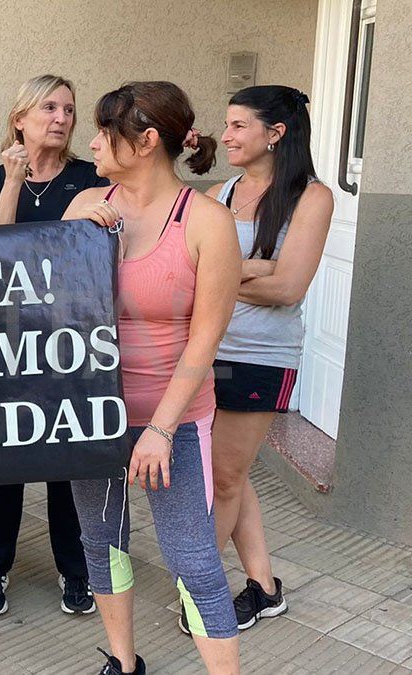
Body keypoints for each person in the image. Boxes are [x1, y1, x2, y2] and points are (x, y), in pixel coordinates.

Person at [61, 81, 242, 674]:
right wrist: (76, 230)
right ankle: (123, 661)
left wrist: (162, 430)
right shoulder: (86, 203)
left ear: (145, 141)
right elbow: (54, 311)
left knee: (194, 562)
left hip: (176, 420)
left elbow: (205, 337)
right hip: (96, 417)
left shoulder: (208, 221)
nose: (89, 142)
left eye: (103, 133)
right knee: (102, 543)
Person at [192, 85, 332, 635]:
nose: (225, 136)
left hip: (261, 357)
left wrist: (226, 274)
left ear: (276, 133)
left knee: (223, 478)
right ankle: (265, 586)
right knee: (231, 474)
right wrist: (255, 268)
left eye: (238, 126)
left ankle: (199, 592)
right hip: (210, 352)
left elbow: (290, 286)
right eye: (226, 125)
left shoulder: (311, 197)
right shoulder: (224, 191)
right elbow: (207, 267)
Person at [0, 74, 106, 617]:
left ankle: (77, 573)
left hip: (70, 343)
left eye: (69, 109)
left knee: (64, 465)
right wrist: (12, 180)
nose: (62, 118)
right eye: (49, 107)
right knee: (3, 465)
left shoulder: (90, 177)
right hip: (5, 345)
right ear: (20, 118)